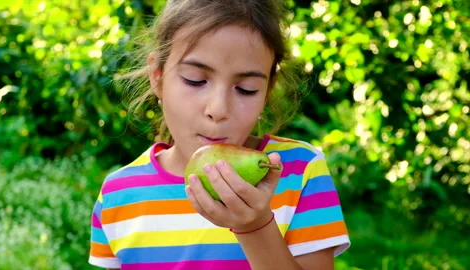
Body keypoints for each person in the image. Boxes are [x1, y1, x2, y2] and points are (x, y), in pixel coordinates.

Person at [88, 0, 351, 269]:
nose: (218, 109)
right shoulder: (118, 195)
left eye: (246, 89)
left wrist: (256, 227)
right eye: (195, 79)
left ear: (268, 90)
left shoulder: (298, 171)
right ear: (157, 76)